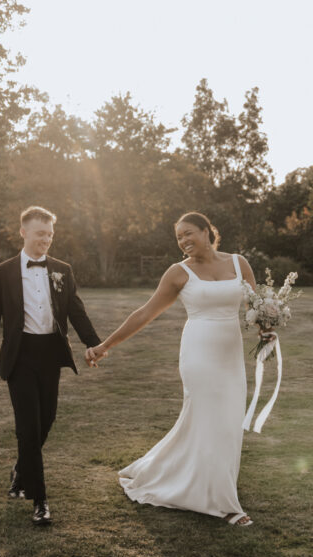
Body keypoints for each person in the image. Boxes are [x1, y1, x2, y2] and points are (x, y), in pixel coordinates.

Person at [86, 212, 256, 526]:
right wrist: (105, 345)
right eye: (179, 237)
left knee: (229, 419)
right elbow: (144, 313)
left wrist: (268, 327)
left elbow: (255, 308)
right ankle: (225, 505)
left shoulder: (238, 263)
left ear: (208, 232)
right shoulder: (178, 273)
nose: (184, 241)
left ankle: (211, 481)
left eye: (189, 233)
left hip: (230, 355)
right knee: (208, 417)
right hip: (198, 354)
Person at [0, 206, 101, 525]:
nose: (46, 240)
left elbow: (76, 311)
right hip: (19, 357)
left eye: (50, 234)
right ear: (23, 232)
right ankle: (40, 500)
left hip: (50, 355)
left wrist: (93, 343)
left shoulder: (62, 269)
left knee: (46, 419)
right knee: (28, 427)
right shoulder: (2, 272)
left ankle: (21, 467)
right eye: (40, 234)